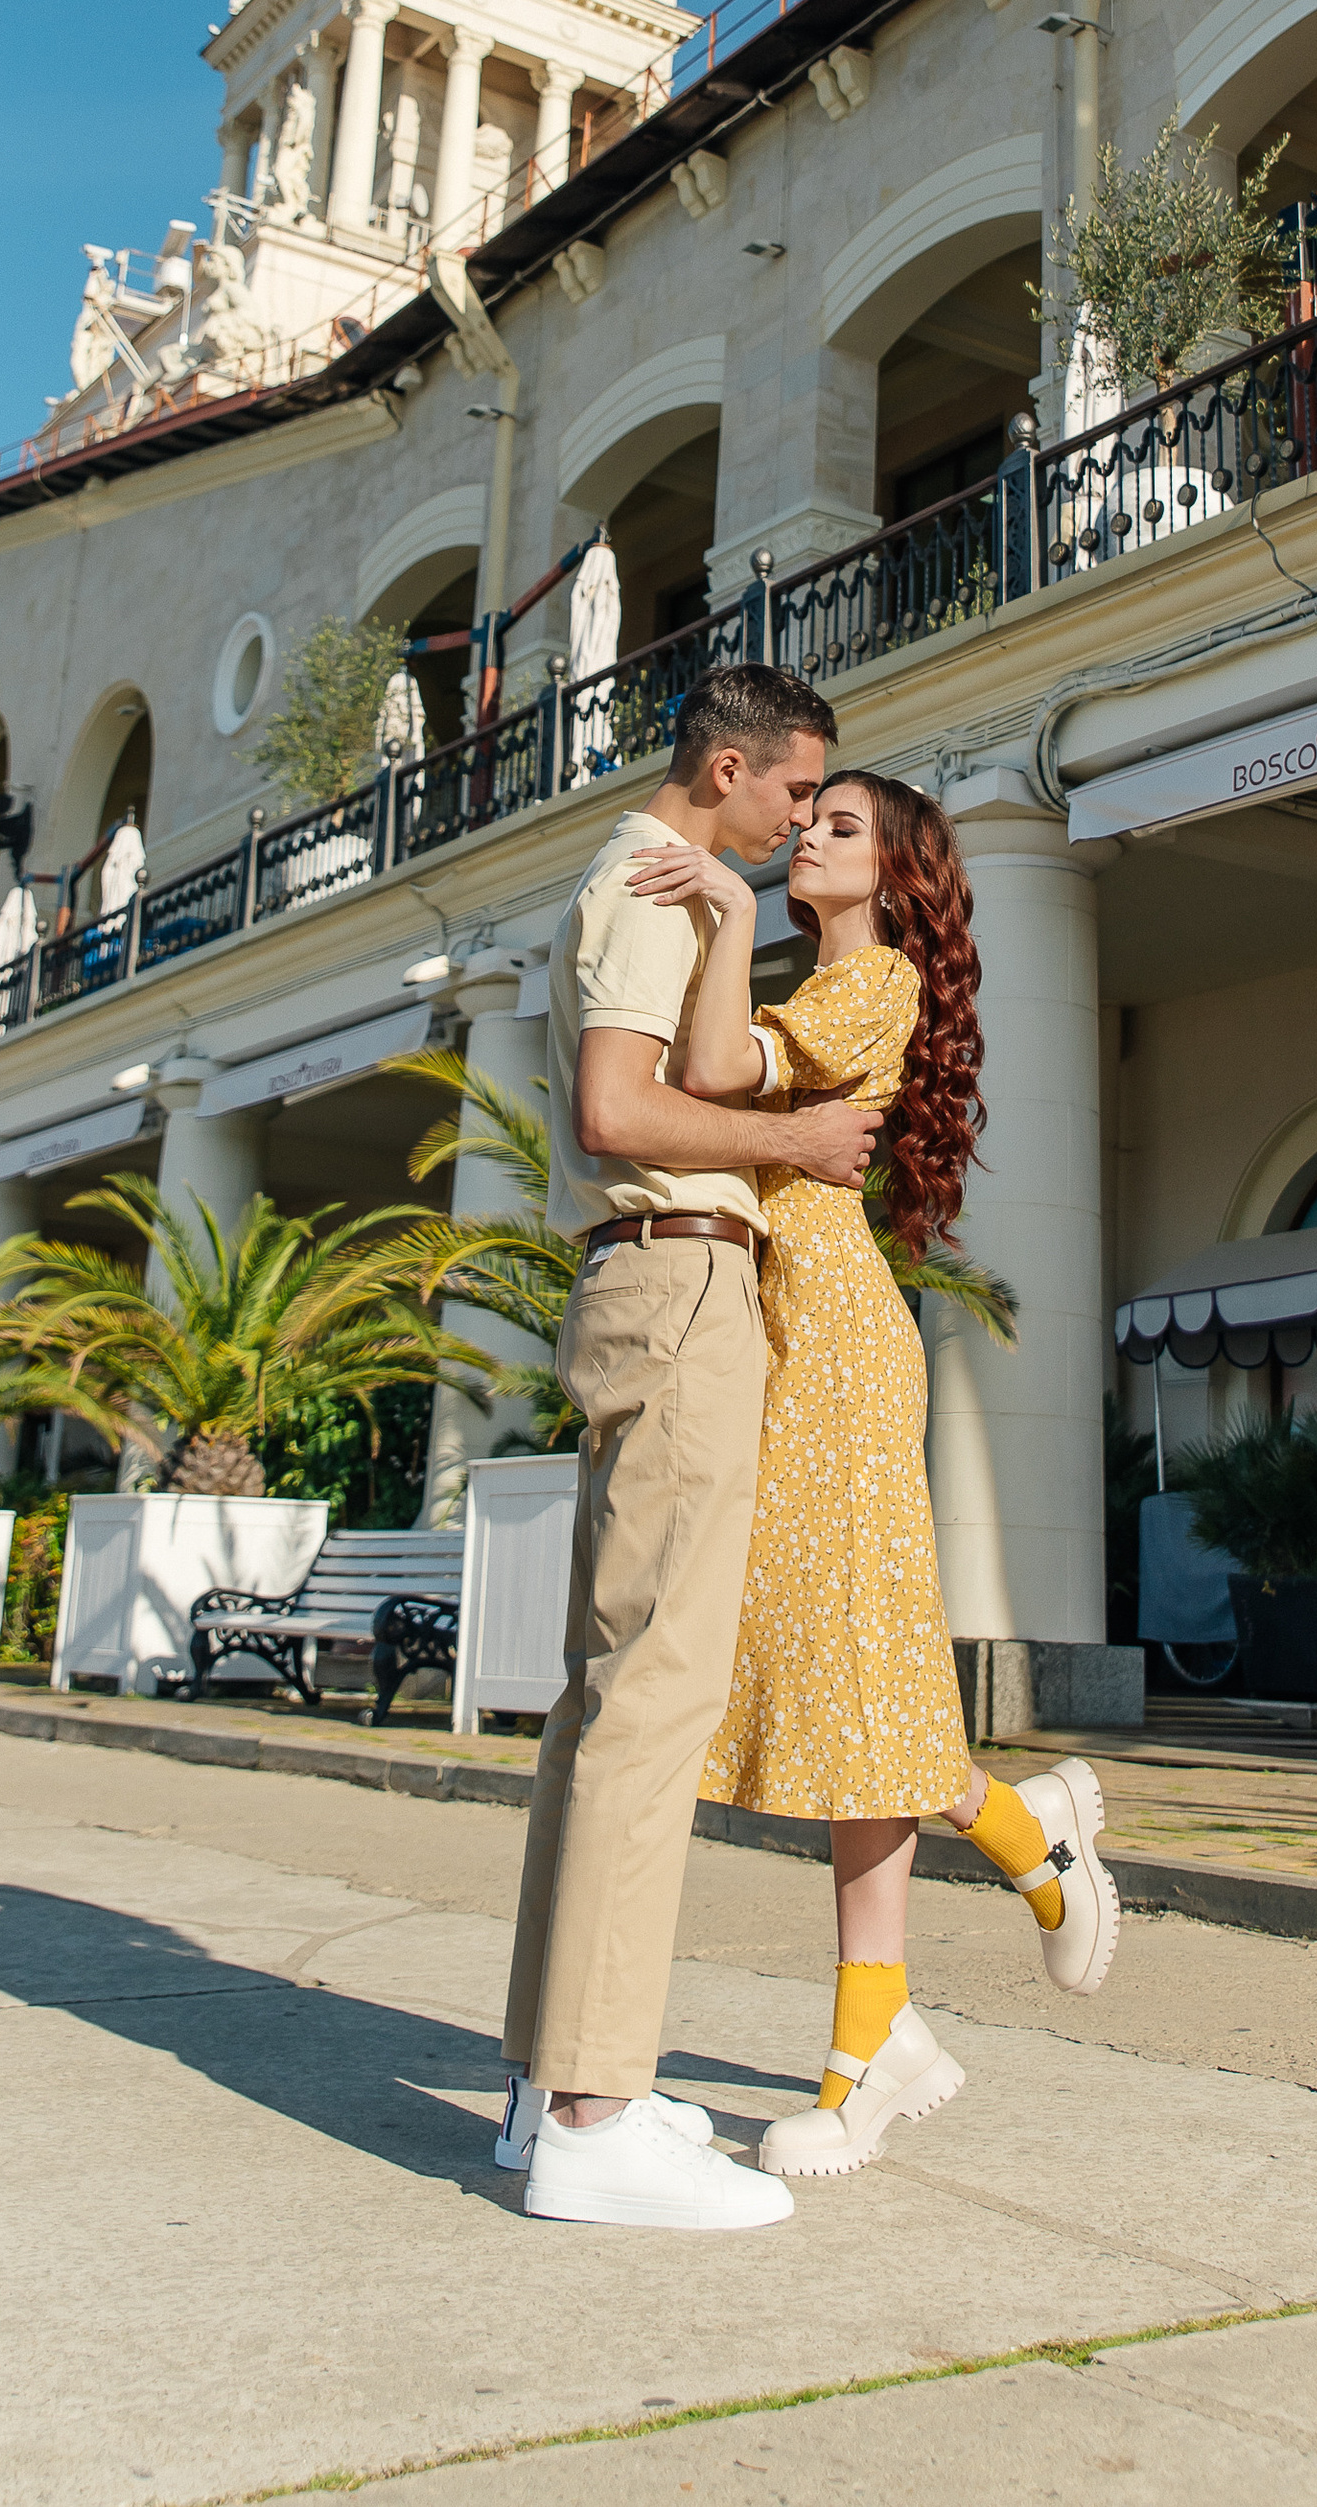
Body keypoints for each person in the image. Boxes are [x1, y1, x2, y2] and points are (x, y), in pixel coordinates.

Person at [631, 771, 1119, 2182]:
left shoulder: (878, 977)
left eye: (841, 825)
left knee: (850, 1673)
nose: (808, 834)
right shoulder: (822, 980)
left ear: (896, 868)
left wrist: (721, 913)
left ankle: (871, 2046)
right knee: (839, 1672)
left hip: (835, 1336)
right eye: (811, 818)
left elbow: (714, 1082)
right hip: (789, 1327)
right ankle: (1023, 1841)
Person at [500, 662, 884, 2235]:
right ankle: (592, 2113)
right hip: (677, 1275)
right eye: (797, 790)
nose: (803, 820)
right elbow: (617, 1106)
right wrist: (793, 1141)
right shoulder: (659, 884)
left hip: (645, 1280)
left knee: (609, 1693)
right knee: (655, 1695)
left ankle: (557, 2081)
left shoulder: (658, 879)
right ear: (728, 766)